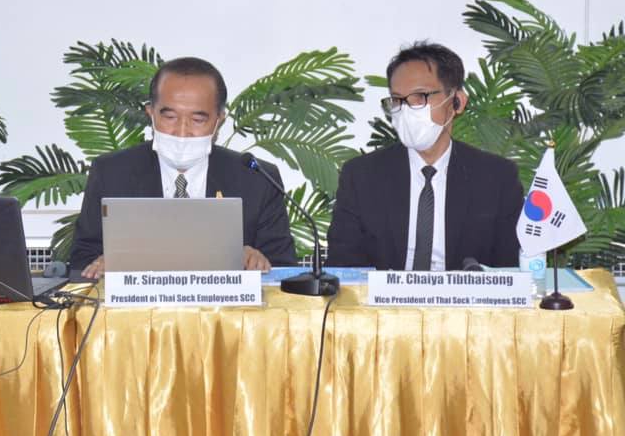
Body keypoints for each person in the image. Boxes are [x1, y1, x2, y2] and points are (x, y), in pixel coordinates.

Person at [71, 57, 297, 279]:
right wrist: (106, 265)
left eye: (197, 120)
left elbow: (283, 270)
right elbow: (82, 260)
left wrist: (255, 264)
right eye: (170, 117)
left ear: (219, 120)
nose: (182, 132)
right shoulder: (112, 173)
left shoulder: (257, 178)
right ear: (151, 113)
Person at [326, 42, 524, 271]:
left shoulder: (496, 178)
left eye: (420, 97)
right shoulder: (362, 176)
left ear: (457, 102)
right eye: (398, 100)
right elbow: (344, 265)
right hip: (385, 294)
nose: (406, 110)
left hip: (465, 294)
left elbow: (509, 269)